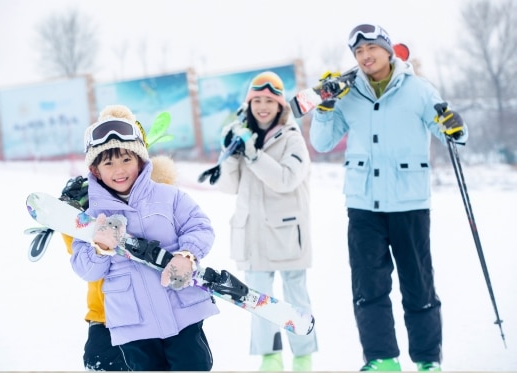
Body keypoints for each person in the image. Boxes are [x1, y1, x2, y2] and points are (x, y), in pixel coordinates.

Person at [309, 24, 468, 372]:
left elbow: (450, 134)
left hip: (409, 203)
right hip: (363, 204)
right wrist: (325, 107)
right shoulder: (347, 94)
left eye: (371, 48)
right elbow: (321, 144)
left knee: (418, 283)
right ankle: (382, 359)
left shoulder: (419, 90)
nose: (365, 56)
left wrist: (455, 126)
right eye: (358, 52)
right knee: (368, 284)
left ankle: (427, 360)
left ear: (387, 49)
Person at [70, 104, 220, 371]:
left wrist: (187, 255)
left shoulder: (168, 196)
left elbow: (200, 226)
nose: (119, 170)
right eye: (109, 162)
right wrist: (99, 249)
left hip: (181, 312)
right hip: (133, 324)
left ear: (140, 159)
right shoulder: (93, 217)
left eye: (126, 159)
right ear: (95, 171)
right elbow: (85, 270)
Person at [217, 71, 318, 371]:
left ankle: (302, 356)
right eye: (256, 100)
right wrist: (231, 153)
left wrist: (254, 155)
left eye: (269, 101)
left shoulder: (292, 138)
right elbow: (227, 187)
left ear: (279, 105)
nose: (262, 106)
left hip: (287, 233)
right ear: (249, 104)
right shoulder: (242, 136)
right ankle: (269, 357)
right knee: (259, 300)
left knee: (295, 297)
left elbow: (286, 179)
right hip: (251, 234)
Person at [59, 153, 178, 371]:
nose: (118, 170)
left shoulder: (161, 204)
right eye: (109, 163)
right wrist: (73, 217)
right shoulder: (98, 202)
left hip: (155, 318)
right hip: (105, 318)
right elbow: (79, 255)